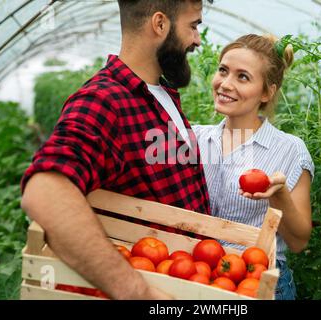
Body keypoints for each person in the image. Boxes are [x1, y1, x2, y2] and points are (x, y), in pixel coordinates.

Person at [20, 0, 213, 300]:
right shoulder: (103, 101)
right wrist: (137, 292)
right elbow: (45, 190)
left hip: (188, 282)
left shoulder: (160, 93)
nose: (197, 40)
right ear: (160, 24)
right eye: (193, 25)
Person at [193, 34, 314, 300]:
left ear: (267, 92)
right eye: (223, 70)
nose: (225, 84)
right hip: (199, 276)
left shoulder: (289, 150)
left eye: (242, 77)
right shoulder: (194, 139)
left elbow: (298, 242)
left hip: (259, 280)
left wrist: (279, 194)